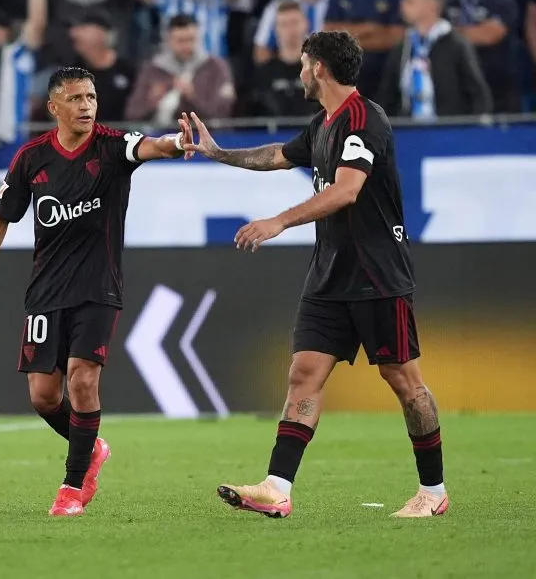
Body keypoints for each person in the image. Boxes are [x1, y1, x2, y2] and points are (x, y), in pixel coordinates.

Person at [187, 30, 448, 519]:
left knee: (405, 382)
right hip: (330, 277)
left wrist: (278, 220)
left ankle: (433, 491)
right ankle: (276, 486)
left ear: (320, 68)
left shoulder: (364, 120)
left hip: (377, 274)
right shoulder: (322, 124)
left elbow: (347, 190)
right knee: (303, 375)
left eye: (304, 64)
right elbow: (276, 156)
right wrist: (218, 152)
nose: (299, 73)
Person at [0, 66, 196, 517]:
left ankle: (70, 488)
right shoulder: (31, 159)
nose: (86, 105)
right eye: (76, 98)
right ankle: (93, 448)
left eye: (91, 97)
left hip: (98, 287)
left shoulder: (111, 146)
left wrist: (177, 142)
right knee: (44, 397)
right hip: (46, 292)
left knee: (83, 377)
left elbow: (149, 145)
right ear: (54, 107)